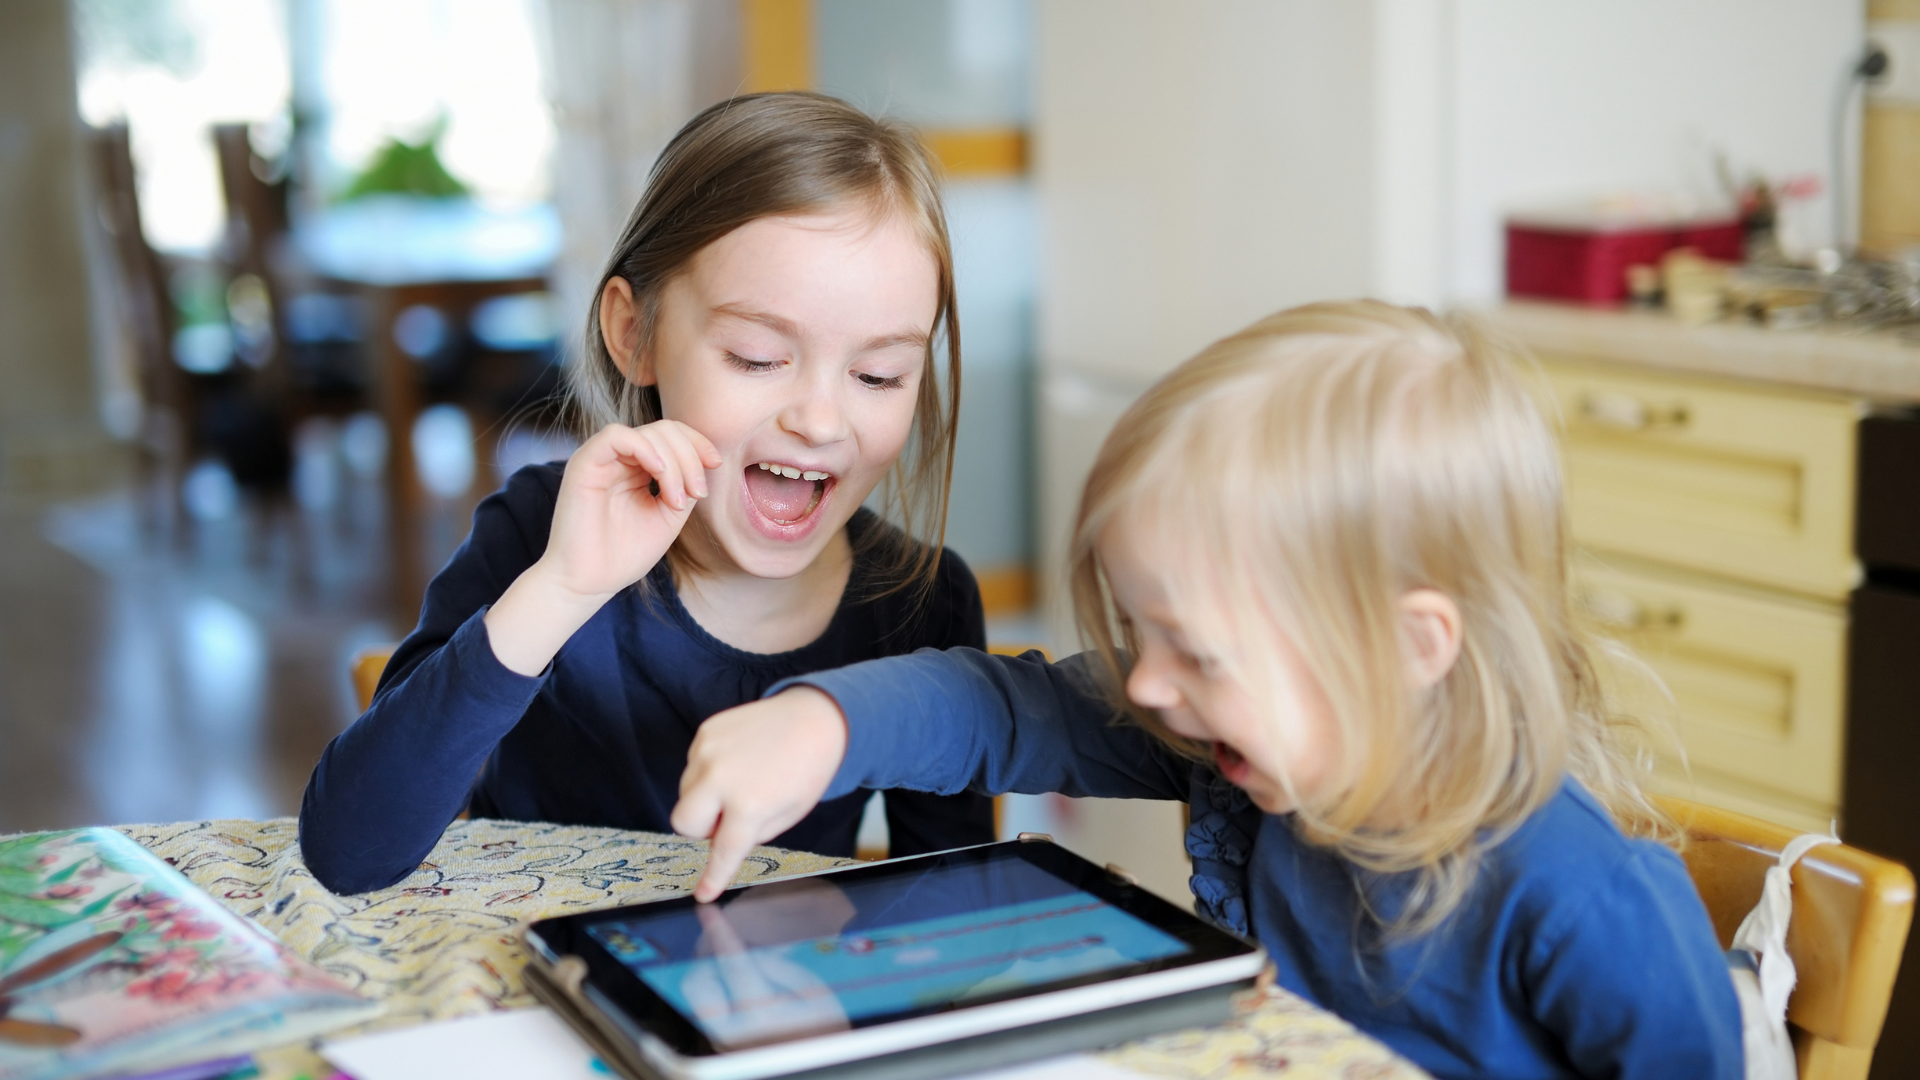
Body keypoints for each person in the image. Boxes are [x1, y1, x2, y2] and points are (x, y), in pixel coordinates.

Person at [672, 302, 1743, 1079]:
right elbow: (1007, 711)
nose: (1147, 681)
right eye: (1140, 634)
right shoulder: (1231, 750)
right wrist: (822, 723)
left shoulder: (1581, 899)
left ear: (1410, 647)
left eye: (1197, 651)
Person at [299, 92, 995, 896]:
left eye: (879, 375)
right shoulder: (540, 535)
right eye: (760, 357)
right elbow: (346, 853)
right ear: (636, 334)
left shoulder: (924, 604)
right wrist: (558, 590)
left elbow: (948, 908)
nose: (820, 419)